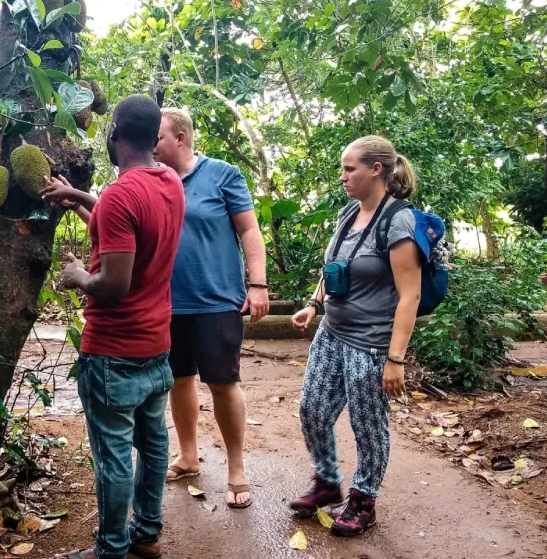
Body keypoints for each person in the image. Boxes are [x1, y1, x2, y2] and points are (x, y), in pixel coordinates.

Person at [45, 95, 186, 559]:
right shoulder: (169, 182)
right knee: (153, 443)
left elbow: (112, 285)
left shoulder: (122, 196)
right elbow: (125, 222)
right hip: (155, 346)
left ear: (115, 133)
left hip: (113, 351)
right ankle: (146, 535)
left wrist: (76, 276)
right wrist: (81, 197)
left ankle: (111, 549)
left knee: (113, 458)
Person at [289, 135, 421, 537]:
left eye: (350, 169)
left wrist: (394, 359)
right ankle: (328, 482)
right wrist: (314, 304)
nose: (343, 176)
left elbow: (410, 293)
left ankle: (364, 499)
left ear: (376, 170)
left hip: (370, 343)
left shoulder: (397, 220)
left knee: (367, 426)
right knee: (312, 410)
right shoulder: (349, 213)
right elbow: (333, 267)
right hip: (332, 332)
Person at [150, 108, 269, 509]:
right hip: (168, 302)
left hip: (217, 300)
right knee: (179, 379)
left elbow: (249, 229)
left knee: (222, 382)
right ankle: (188, 456)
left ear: (180, 138)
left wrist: (257, 284)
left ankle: (236, 468)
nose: (152, 144)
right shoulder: (153, 179)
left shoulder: (223, 174)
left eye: (159, 137)